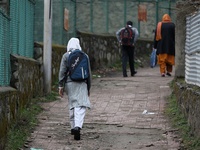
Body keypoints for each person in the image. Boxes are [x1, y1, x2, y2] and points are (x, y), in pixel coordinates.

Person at [58, 37, 91, 140]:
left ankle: (73, 127)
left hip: (70, 83)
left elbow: (62, 71)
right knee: (81, 105)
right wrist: (88, 87)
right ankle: (78, 126)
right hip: (82, 83)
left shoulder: (66, 56)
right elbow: (89, 73)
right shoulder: (85, 56)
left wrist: (60, 85)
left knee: (72, 104)